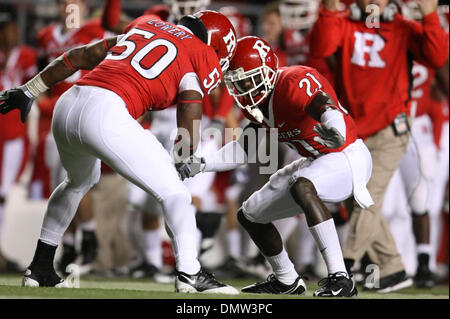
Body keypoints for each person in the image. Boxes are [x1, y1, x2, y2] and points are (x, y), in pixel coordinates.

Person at [0, 10, 238, 294]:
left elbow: (83, 55)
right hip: (107, 112)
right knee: (176, 192)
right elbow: (190, 101)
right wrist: (186, 150)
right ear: (215, 45)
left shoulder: (147, 24)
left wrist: (30, 90)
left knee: (78, 182)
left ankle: (40, 268)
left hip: (69, 104)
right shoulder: (200, 53)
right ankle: (191, 274)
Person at [177, 36, 374, 297]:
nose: (244, 87)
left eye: (248, 79)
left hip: (347, 154)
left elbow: (323, 104)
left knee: (303, 186)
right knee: (250, 214)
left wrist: (334, 128)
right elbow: (245, 148)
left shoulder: (292, 81)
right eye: (237, 82)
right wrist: (202, 164)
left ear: (268, 70)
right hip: (316, 160)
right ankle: (287, 279)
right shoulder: (256, 106)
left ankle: (341, 278)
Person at [310, 0, 448, 292]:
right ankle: (392, 269)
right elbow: (321, 49)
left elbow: (437, 57)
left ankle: (343, 268)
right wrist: (330, 8)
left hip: (390, 129)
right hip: (353, 129)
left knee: (365, 199)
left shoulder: (402, 28)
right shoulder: (346, 22)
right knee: (357, 198)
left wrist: (430, 14)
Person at [0, 12, 37, 272]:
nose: (8, 35)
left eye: (10, 28)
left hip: (13, 132)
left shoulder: (25, 56)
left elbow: (33, 89)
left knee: (3, 194)